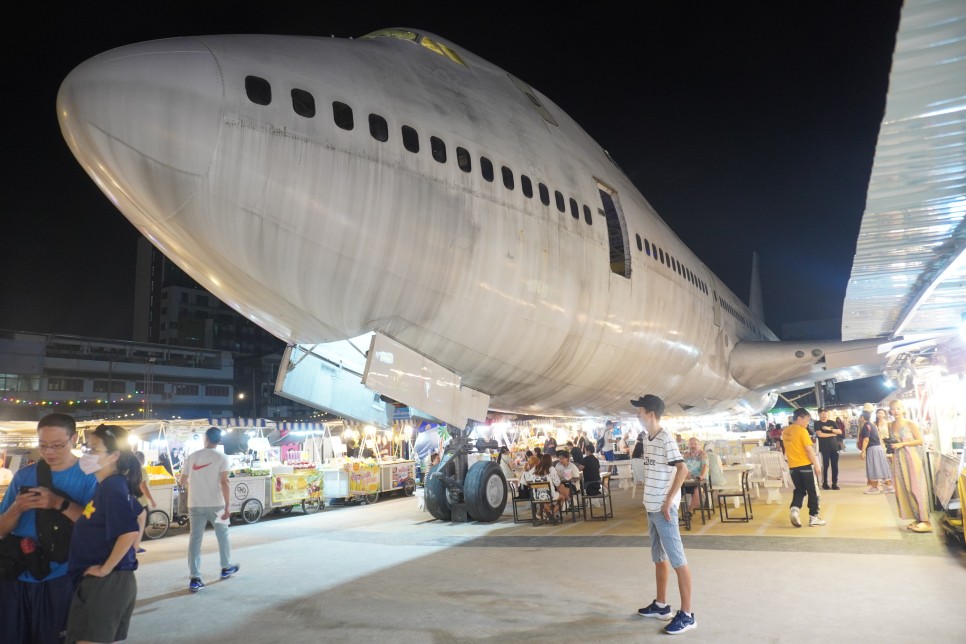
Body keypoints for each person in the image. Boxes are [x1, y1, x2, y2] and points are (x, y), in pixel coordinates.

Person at [0, 413, 97, 644]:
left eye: (57, 445)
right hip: (17, 573)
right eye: (43, 446)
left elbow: (94, 529)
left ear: (73, 438)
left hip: (61, 575)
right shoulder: (24, 475)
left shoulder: (89, 477)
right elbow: (2, 529)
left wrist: (57, 503)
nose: (49, 452)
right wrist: (16, 508)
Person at [65, 424, 142, 644]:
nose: (86, 454)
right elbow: (139, 513)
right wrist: (131, 552)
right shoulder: (109, 485)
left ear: (114, 456)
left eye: (93, 450)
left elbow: (128, 530)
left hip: (107, 581)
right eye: (86, 448)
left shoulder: (112, 486)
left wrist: (106, 567)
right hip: (105, 581)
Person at [631, 395, 696, 635]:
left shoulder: (666, 438)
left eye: (640, 411)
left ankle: (687, 615)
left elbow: (683, 469)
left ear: (650, 414)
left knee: (678, 560)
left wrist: (669, 500)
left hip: (663, 509)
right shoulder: (648, 438)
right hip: (651, 507)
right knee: (658, 557)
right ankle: (661, 605)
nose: (637, 415)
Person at [179, 427, 240, 593]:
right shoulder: (223, 457)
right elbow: (224, 482)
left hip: (195, 504)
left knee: (195, 540)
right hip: (217, 504)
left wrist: (196, 486)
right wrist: (228, 505)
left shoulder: (192, 457)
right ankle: (226, 567)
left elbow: (182, 480)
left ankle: (195, 578)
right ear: (219, 440)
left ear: (205, 438)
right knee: (223, 535)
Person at [888, 400, 931, 533]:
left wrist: (902, 444)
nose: (896, 411)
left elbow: (920, 441)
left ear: (903, 409)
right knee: (904, 488)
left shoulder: (910, 423)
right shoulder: (890, 425)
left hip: (911, 459)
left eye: (898, 408)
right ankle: (917, 518)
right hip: (898, 460)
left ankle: (926, 521)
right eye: (893, 409)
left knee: (916, 487)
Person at [782, 408, 825, 527]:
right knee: (812, 491)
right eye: (807, 419)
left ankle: (795, 510)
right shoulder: (802, 431)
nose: (808, 422)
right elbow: (809, 449)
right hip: (805, 465)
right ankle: (813, 517)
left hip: (792, 467)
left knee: (799, 490)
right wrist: (817, 465)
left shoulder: (785, 431)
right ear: (799, 418)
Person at [858, 404, 893, 494]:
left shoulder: (866, 426)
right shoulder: (872, 425)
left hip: (873, 448)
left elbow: (866, 439)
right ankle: (888, 486)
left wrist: (863, 451)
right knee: (882, 466)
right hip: (878, 448)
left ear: (862, 417)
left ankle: (875, 488)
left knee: (873, 467)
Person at [133, 451, 156, 554]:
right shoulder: (142, 470)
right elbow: (143, 487)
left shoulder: (129, 470)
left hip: (131, 501)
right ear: (142, 460)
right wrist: (151, 499)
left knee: (134, 524)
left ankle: (132, 545)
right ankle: (135, 546)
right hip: (141, 501)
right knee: (143, 523)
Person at [813, 408, 841, 490]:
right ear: (819, 414)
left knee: (835, 466)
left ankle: (834, 483)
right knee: (825, 465)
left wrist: (830, 429)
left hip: (834, 447)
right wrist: (832, 434)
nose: (824, 414)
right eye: (822, 413)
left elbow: (839, 431)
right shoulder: (817, 423)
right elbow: (820, 434)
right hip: (824, 448)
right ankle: (825, 483)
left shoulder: (832, 422)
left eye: (825, 413)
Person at [682, 438, 708, 511]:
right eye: (691, 444)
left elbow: (704, 466)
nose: (693, 446)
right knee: (677, 489)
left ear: (698, 445)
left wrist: (701, 476)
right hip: (688, 481)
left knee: (697, 491)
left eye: (695, 444)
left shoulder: (702, 455)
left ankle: (688, 512)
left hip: (700, 482)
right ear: (688, 445)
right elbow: (683, 468)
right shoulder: (686, 456)